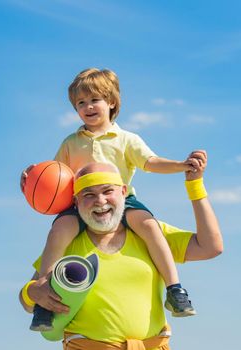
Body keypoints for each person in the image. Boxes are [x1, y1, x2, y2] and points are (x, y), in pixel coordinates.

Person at [21, 68, 202, 331]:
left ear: (111, 102)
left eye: (94, 100)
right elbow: (56, 176)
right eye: (80, 103)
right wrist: (30, 180)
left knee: (151, 227)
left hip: (122, 202)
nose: (87, 107)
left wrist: (181, 165)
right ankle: (43, 299)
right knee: (59, 229)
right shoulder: (71, 142)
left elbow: (150, 162)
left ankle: (175, 290)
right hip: (81, 204)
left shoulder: (126, 139)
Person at [19, 158, 223, 349]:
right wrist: (31, 293)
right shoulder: (66, 241)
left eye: (108, 191)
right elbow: (28, 299)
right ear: (76, 201)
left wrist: (195, 185)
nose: (100, 201)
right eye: (88, 194)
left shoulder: (151, 233)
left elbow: (210, 246)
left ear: (124, 192)